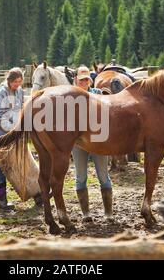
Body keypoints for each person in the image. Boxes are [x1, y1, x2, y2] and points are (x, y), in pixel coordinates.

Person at [0, 68, 42, 211]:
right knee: (3, 169)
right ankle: (1, 200)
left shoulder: (19, 92)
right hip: (0, 135)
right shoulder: (1, 93)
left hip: (15, 135)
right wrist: (11, 128)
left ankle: (37, 194)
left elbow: (21, 110)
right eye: (15, 82)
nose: (17, 84)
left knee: (27, 164)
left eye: (20, 82)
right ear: (9, 80)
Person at [72, 66, 114, 222]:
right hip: (78, 143)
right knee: (80, 176)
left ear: (90, 80)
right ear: (76, 79)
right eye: (81, 79)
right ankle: (86, 214)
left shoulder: (98, 94)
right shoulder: (70, 97)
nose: (84, 81)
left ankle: (108, 213)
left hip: (99, 141)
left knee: (103, 176)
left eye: (86, 79)